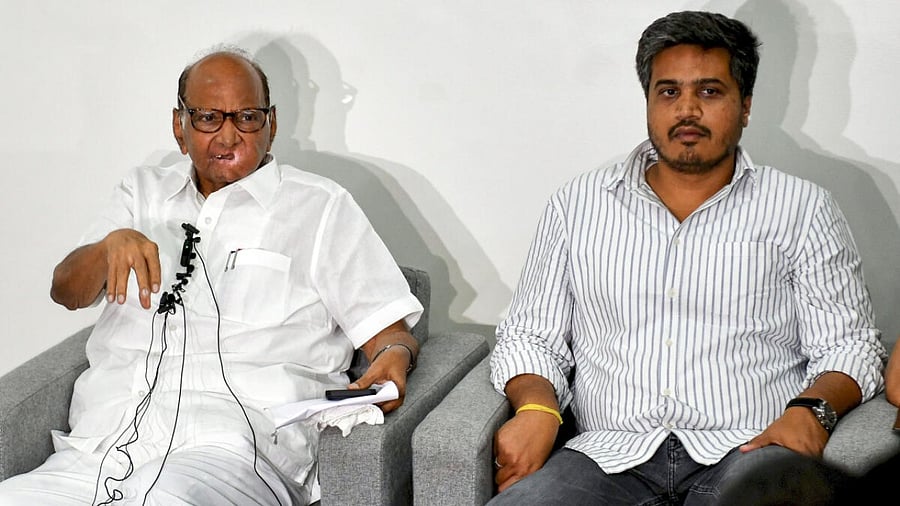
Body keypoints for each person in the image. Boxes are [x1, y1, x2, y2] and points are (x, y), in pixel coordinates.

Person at [488, 10, 887, 506]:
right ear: (649, 102)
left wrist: (812, 411)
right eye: (669, 92)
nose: (687, 111)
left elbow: (849, 346)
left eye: (710, 91)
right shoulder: (578, 205)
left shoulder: (804, 208)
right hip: (607, 455)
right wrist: (538, 411)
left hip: (751, 446)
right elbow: (530, 335)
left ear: (745, 106)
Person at [0, 45, 422, 505]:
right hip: (100, 448)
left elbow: (389, 334)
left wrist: (394, 357)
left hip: (234, 455)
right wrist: (106, 249)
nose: (229, 136)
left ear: (271, 125)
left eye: (246, 117)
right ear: (179, 127)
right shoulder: (141, 193)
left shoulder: (320, 207)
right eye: (207, 118)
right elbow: (66, 291)